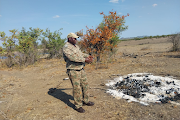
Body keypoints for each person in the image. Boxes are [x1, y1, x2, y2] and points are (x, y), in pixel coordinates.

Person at [63, 32, 94, 113]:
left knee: (85, 85)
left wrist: (88, 56)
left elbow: (80, 54)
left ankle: (86, 101)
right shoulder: (66, 47)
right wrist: (85, 60)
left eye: (76, 38)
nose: (76, 40)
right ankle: (78, 106)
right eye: (74, 38)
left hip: (80, 68)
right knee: (77, 88)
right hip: (73, 70)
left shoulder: (75, 46)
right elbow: (72, 57)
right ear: (69, 38)